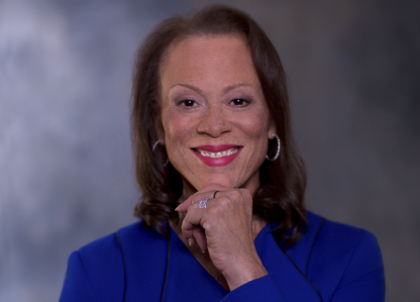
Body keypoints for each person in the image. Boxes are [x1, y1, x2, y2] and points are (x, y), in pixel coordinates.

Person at [59, 5, 385, 302]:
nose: (214, 126)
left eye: (238, 101)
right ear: (158, 126)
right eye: (188, 103)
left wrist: (243, 266)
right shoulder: (96, 270)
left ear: (273, 119)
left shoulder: (350, 257)